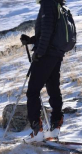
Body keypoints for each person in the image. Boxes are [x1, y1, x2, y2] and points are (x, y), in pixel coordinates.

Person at [20, 0, 67, 143]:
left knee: (33, 91)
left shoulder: (47, 3)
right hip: (56, 54)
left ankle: (37, 131)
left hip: (46, 54)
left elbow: (47, 31)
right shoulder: (57, 3)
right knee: (53, 88)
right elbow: (49, 31)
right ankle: (55, 127)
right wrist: (31, 40)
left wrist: (39, 53)